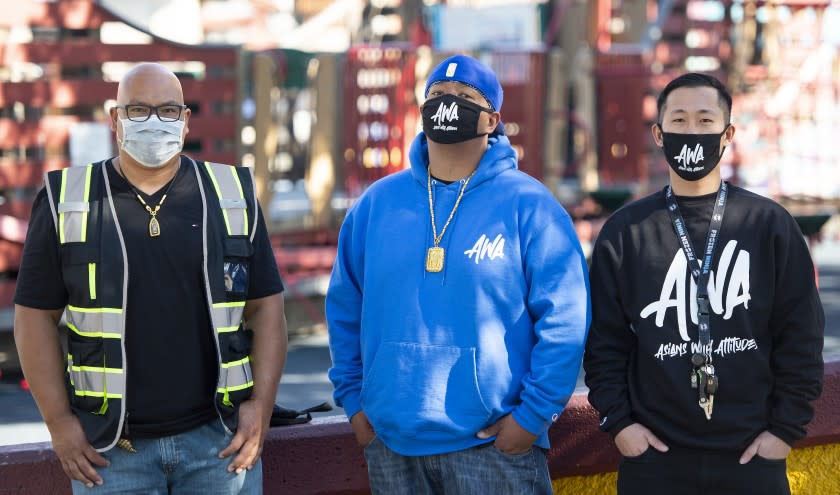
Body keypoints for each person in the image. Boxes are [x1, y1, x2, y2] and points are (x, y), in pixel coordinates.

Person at [13, 63, 287, 494]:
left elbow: (266, 307)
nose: (154, 122)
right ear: (114, 118)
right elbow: (33, 318)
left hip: (219, 443)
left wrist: (261, 406)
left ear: (185, 119)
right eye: (137, 110)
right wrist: (60, 423)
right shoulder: (68, 199)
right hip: (110, 452)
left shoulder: (231, 193)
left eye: (168, 110)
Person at [326, 54, 590, 494]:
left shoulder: (531, 206)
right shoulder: (376, 205)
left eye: (465, 97)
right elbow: (344, 308)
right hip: (391, 444)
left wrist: (531, 419)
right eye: (437, 96)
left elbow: (566, 319)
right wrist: (353, 401)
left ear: (492, 120)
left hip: (494, 448)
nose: (448, 105)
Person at [584, 73, 824, 495]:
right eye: (678, 120)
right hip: (653, 463)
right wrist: (621, 426)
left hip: (752, 459)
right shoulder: (625, 232)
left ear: (727, 133)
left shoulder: (769, 225)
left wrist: (784, 432)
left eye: (704, 120)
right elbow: (603, 342)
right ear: (659, 134)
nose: (691, 131)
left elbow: (801, 335)